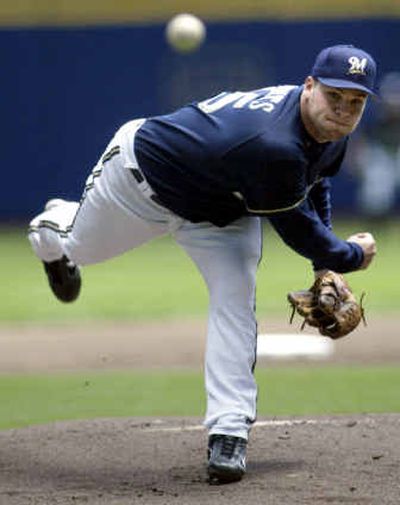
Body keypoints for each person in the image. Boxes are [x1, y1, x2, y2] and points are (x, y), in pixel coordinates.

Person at [28, 44, 377, 484]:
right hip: (142, 182)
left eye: (356, 102)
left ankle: (229, 434)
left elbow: (315, 183)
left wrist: (322, 272)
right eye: (334, 96)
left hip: (222, 210)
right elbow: (302, 232)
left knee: (235, 297)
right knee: (79, 246)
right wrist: (348, 258)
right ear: (309, 87)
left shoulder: (327, 131)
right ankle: (50, 230)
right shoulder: (273, 143)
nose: (343, 111)